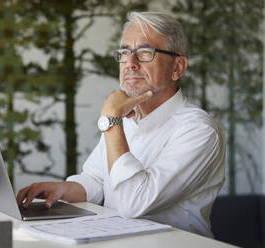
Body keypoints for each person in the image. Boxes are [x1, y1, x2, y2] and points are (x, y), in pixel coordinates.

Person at [17, 11, 226, 238]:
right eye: (124, 53)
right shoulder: (125, 119)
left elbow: (132, 203)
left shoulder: (200, 130)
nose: (130, 63)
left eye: (145, 53)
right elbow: (97, 180)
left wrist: (112, 121)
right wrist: (62, 190)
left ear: (177, 67)